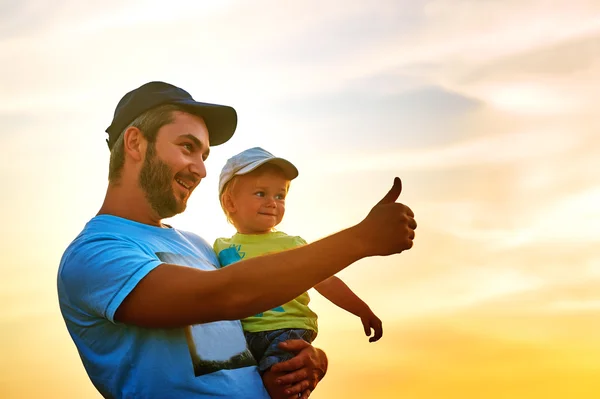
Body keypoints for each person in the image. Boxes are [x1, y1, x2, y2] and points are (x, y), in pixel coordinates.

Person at [57, 81, 417, 399]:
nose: (200, 169)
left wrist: (304, 361)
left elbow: (241, 339)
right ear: (135, 143)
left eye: (204, 155)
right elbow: (226, 295)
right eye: (187, 147)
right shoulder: (94, 253)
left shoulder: (200, 247)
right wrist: (360, 240)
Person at [213, 147, 384, 397]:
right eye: (261, 193)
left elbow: (325, 279)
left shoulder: (292, 244)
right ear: (230, 202)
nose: (272, 202)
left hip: (285, 330)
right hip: (241, 335)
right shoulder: (219, 248)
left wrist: (361, 309)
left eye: (280, 196)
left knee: (283, 383)